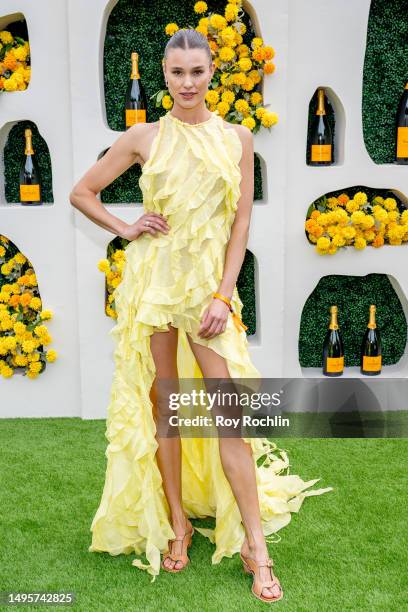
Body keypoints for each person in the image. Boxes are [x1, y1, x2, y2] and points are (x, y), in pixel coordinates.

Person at [70, 29, 332, 604]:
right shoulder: (142, 136)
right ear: (164, 76)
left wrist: (223, 294)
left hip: (209, 291)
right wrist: (127, 227)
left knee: (227, 415)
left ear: (212, 74)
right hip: (156, 284)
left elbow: (240, 225)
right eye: (177, 73)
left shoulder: (238, 138)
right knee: (166, 407)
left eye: (197, 72)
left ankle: (256, 548)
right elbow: (82, 193)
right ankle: (178, 527)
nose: (187, 83)